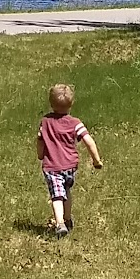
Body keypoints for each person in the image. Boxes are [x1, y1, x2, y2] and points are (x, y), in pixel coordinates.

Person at [37, 83, 103, 237]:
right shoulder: (75, 123)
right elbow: (88, 140)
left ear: (51, 103)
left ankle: (60, 223)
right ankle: (67, 219)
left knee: (57, 195)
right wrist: (96, 160)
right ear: (71, 104)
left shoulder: (46, 122)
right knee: (66, 191)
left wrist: (40, 154)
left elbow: (40, 140)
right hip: (70, 165)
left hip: (52, 166)